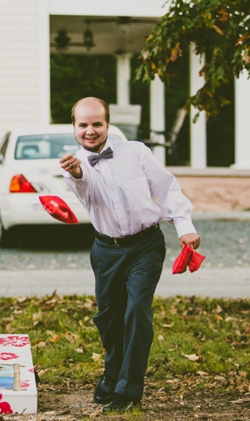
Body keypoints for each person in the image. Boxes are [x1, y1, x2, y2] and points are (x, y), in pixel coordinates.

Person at [60, 97, 200, 414]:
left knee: (136, 311)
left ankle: (128, 390)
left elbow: (166, 187)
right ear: (74, 127)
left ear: (108, 124)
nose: (90, 131)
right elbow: (89, 189)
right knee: (109, 319)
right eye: (83, 125)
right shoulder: (74, 167)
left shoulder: (136, 151)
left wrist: (184, 225)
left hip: (145, 245)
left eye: (97, 123)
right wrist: (79, 173)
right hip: (106, 250)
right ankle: (113, 373)